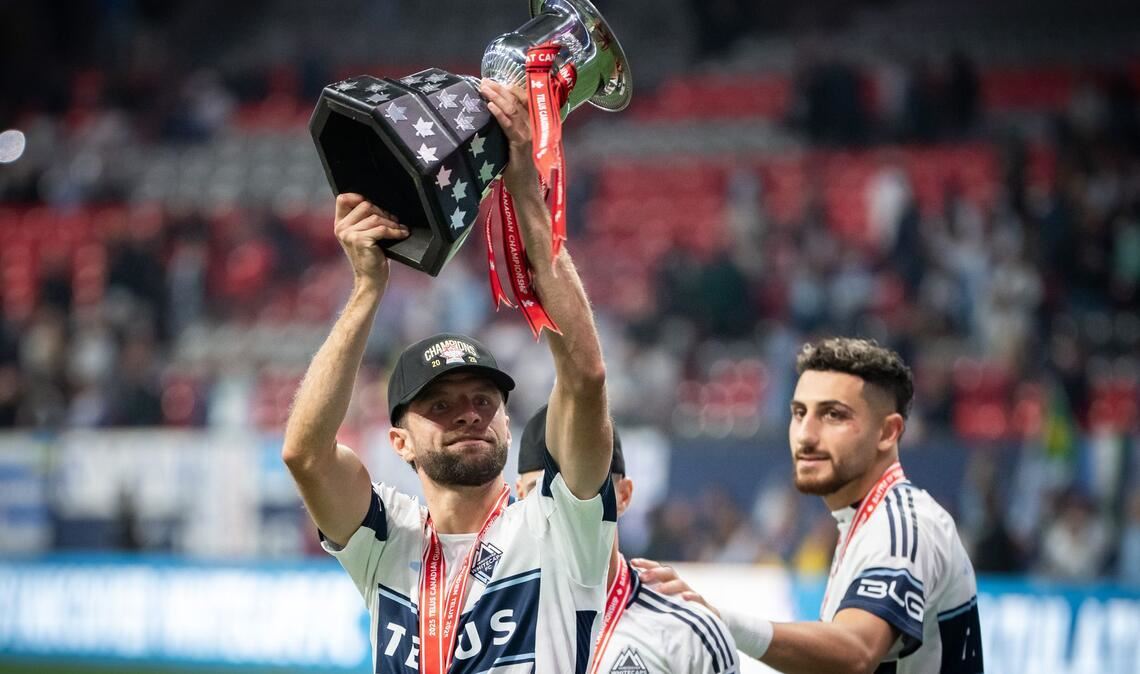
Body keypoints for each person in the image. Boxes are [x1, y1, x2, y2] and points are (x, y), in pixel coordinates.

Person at [282, 79, 616, 673]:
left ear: (508, 424)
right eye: (438, 406)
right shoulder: (387, 540)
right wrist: (366, 290)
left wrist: (525, 195)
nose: (468, 413)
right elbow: (305, 455)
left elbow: (585, 377)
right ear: (398, 441)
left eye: (484, 400)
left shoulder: (559, 523)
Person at [635, 338, 984, 674]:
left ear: (887, 432)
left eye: (833, 415)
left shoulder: (902, 524)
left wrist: (720, 620)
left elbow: (855, 652)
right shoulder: (864, 521)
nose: (806, 434)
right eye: (799, 413)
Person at [516, 405, 739, 674]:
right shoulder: (482, 624)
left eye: (585, 489)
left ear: (624, 495)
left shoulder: (688, 634)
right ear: (519, 499)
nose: (561, 508)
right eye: (540, 492)